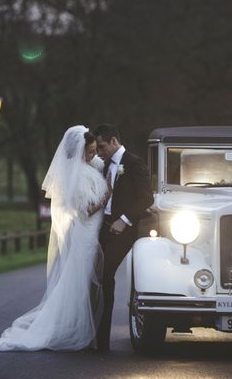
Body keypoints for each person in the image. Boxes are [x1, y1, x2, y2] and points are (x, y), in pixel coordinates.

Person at [0, 125, 110, 351]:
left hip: (92, 232)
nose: (93, 155)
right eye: (89, 152)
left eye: (93, 151)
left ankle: (86, 330)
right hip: (84, 234)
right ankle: (79, 330)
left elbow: (104, 163)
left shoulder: (90, 166)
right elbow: (84, 211)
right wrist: (106, 195)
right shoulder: (74, 175)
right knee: (80, 284)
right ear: (78, 151)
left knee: (84, 284)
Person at [93, 124, 154, 352]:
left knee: (106, 274)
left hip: (125, 231)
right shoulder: (104, 165)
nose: (99, 152)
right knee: (95, 277)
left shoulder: (134, 162)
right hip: (103, 228)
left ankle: (102, 342)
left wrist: (125, 220)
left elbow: (146, 198)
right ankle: (96, 336)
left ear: (114, 142)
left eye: (101, 146)